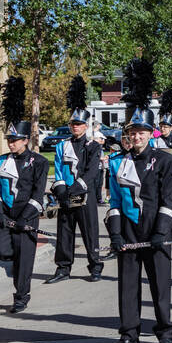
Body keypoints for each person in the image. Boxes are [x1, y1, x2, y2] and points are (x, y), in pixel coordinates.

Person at [105, 71, 172, 343]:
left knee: (160, 287)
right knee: (127, 287)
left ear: (151, 134)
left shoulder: (164, 160)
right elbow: (113, 199)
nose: (136, 137)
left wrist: (162, 231)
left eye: (141, 132)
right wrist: (114, 233)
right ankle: (128, 334)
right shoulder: (116, 162)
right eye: (132, 132)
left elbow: (170, 199)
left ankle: (165, 333)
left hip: (156, 230)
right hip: (128, 230)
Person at [0, 120, 48, 314]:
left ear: (26, 140)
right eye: (9, 139)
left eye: (15, 140)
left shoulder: (39, 161)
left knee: (24, 259)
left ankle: (21, 297)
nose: (11, 143)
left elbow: (38, 193)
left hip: (27, 216)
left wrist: (26, 217)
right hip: (5, 215)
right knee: (3, 252)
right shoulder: (0, 161)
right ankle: (19, 277)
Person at [46, 94, 105, 286]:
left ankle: (95, 266)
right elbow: (58, 169)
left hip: (84, 195)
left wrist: (74, 189)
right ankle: (63, 268)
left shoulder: (93, 146)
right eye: (73, 124)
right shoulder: (62, 146)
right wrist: (61, 190)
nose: (75, 127)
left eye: (79, 124)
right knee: (64, 232)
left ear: (86, 126)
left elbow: (92, 172)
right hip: (65, 195)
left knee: (90, 233)